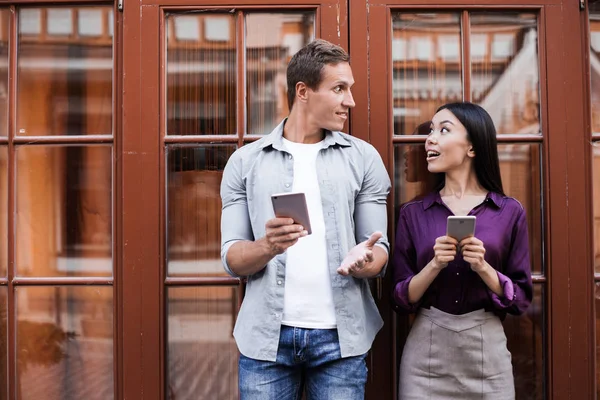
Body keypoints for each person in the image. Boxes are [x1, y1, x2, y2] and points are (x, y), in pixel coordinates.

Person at [220, 39, 391, 400]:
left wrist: (365, 261)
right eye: (339, 89)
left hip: (340, 342)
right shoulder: (245, 162)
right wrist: (268, 246)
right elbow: (232, 259)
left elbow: (380, 252)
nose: (351, 101)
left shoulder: (363, 159)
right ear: (303, 91)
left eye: (350, 89)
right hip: (266, 341)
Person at [392, 102, 533, 399]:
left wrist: (483, 267)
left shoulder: (509, 212)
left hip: (488, 356)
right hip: (425, 358)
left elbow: (521, 300)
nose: (430, 138)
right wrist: (433, 265)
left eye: (443, 130)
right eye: (431, 130)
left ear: (472, 148)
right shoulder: (412, 214)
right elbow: (400, 300)